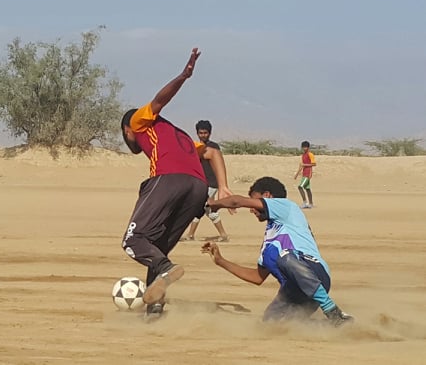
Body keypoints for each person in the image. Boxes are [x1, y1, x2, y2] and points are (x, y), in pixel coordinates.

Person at [120, 48, 233, 319]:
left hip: (170, 180)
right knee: (156, 248)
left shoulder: (139, 121)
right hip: (197, 188)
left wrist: (183, 76)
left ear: (127, 130)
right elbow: (212, 152)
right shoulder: (180, 135)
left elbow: (160, 100)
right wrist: (224, 186)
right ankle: (155, 307)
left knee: (133, 240)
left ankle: (167, 269)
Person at [201, 176, 353, 327]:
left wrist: (214, 204)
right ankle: (340, 328)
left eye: (253, 201)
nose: (251, 210)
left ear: (267, 196)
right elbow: (257, 277)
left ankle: (333, 311)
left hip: (315, 273)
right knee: (271, 324)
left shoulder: (285, 207)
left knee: (283, 255)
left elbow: (237, 202)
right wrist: (220, 261)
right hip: (295, 292)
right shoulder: (269, 240)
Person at [183, 120, 229, 242]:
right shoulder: (196, 148)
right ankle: (192, 235)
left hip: (212, 183)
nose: (203, 135)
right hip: (202, 183)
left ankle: (192, 235)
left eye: (205, 133)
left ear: (210, 133)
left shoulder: (213, 148)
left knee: (202, 208)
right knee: (203, 209)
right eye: (201, 133)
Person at [294, 140, 316, 209]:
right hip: (304, 173)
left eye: (305, 147)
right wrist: (297, 174)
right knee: (307, 189)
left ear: (308, 147)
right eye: (303, 147)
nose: (304, 148)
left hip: (308, 174)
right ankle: (311, 203)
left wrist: (305, 164)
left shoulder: (310, 154)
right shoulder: (303, 155)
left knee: (300, 187)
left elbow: (314, 164)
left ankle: (305, 202)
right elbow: (302, 165)